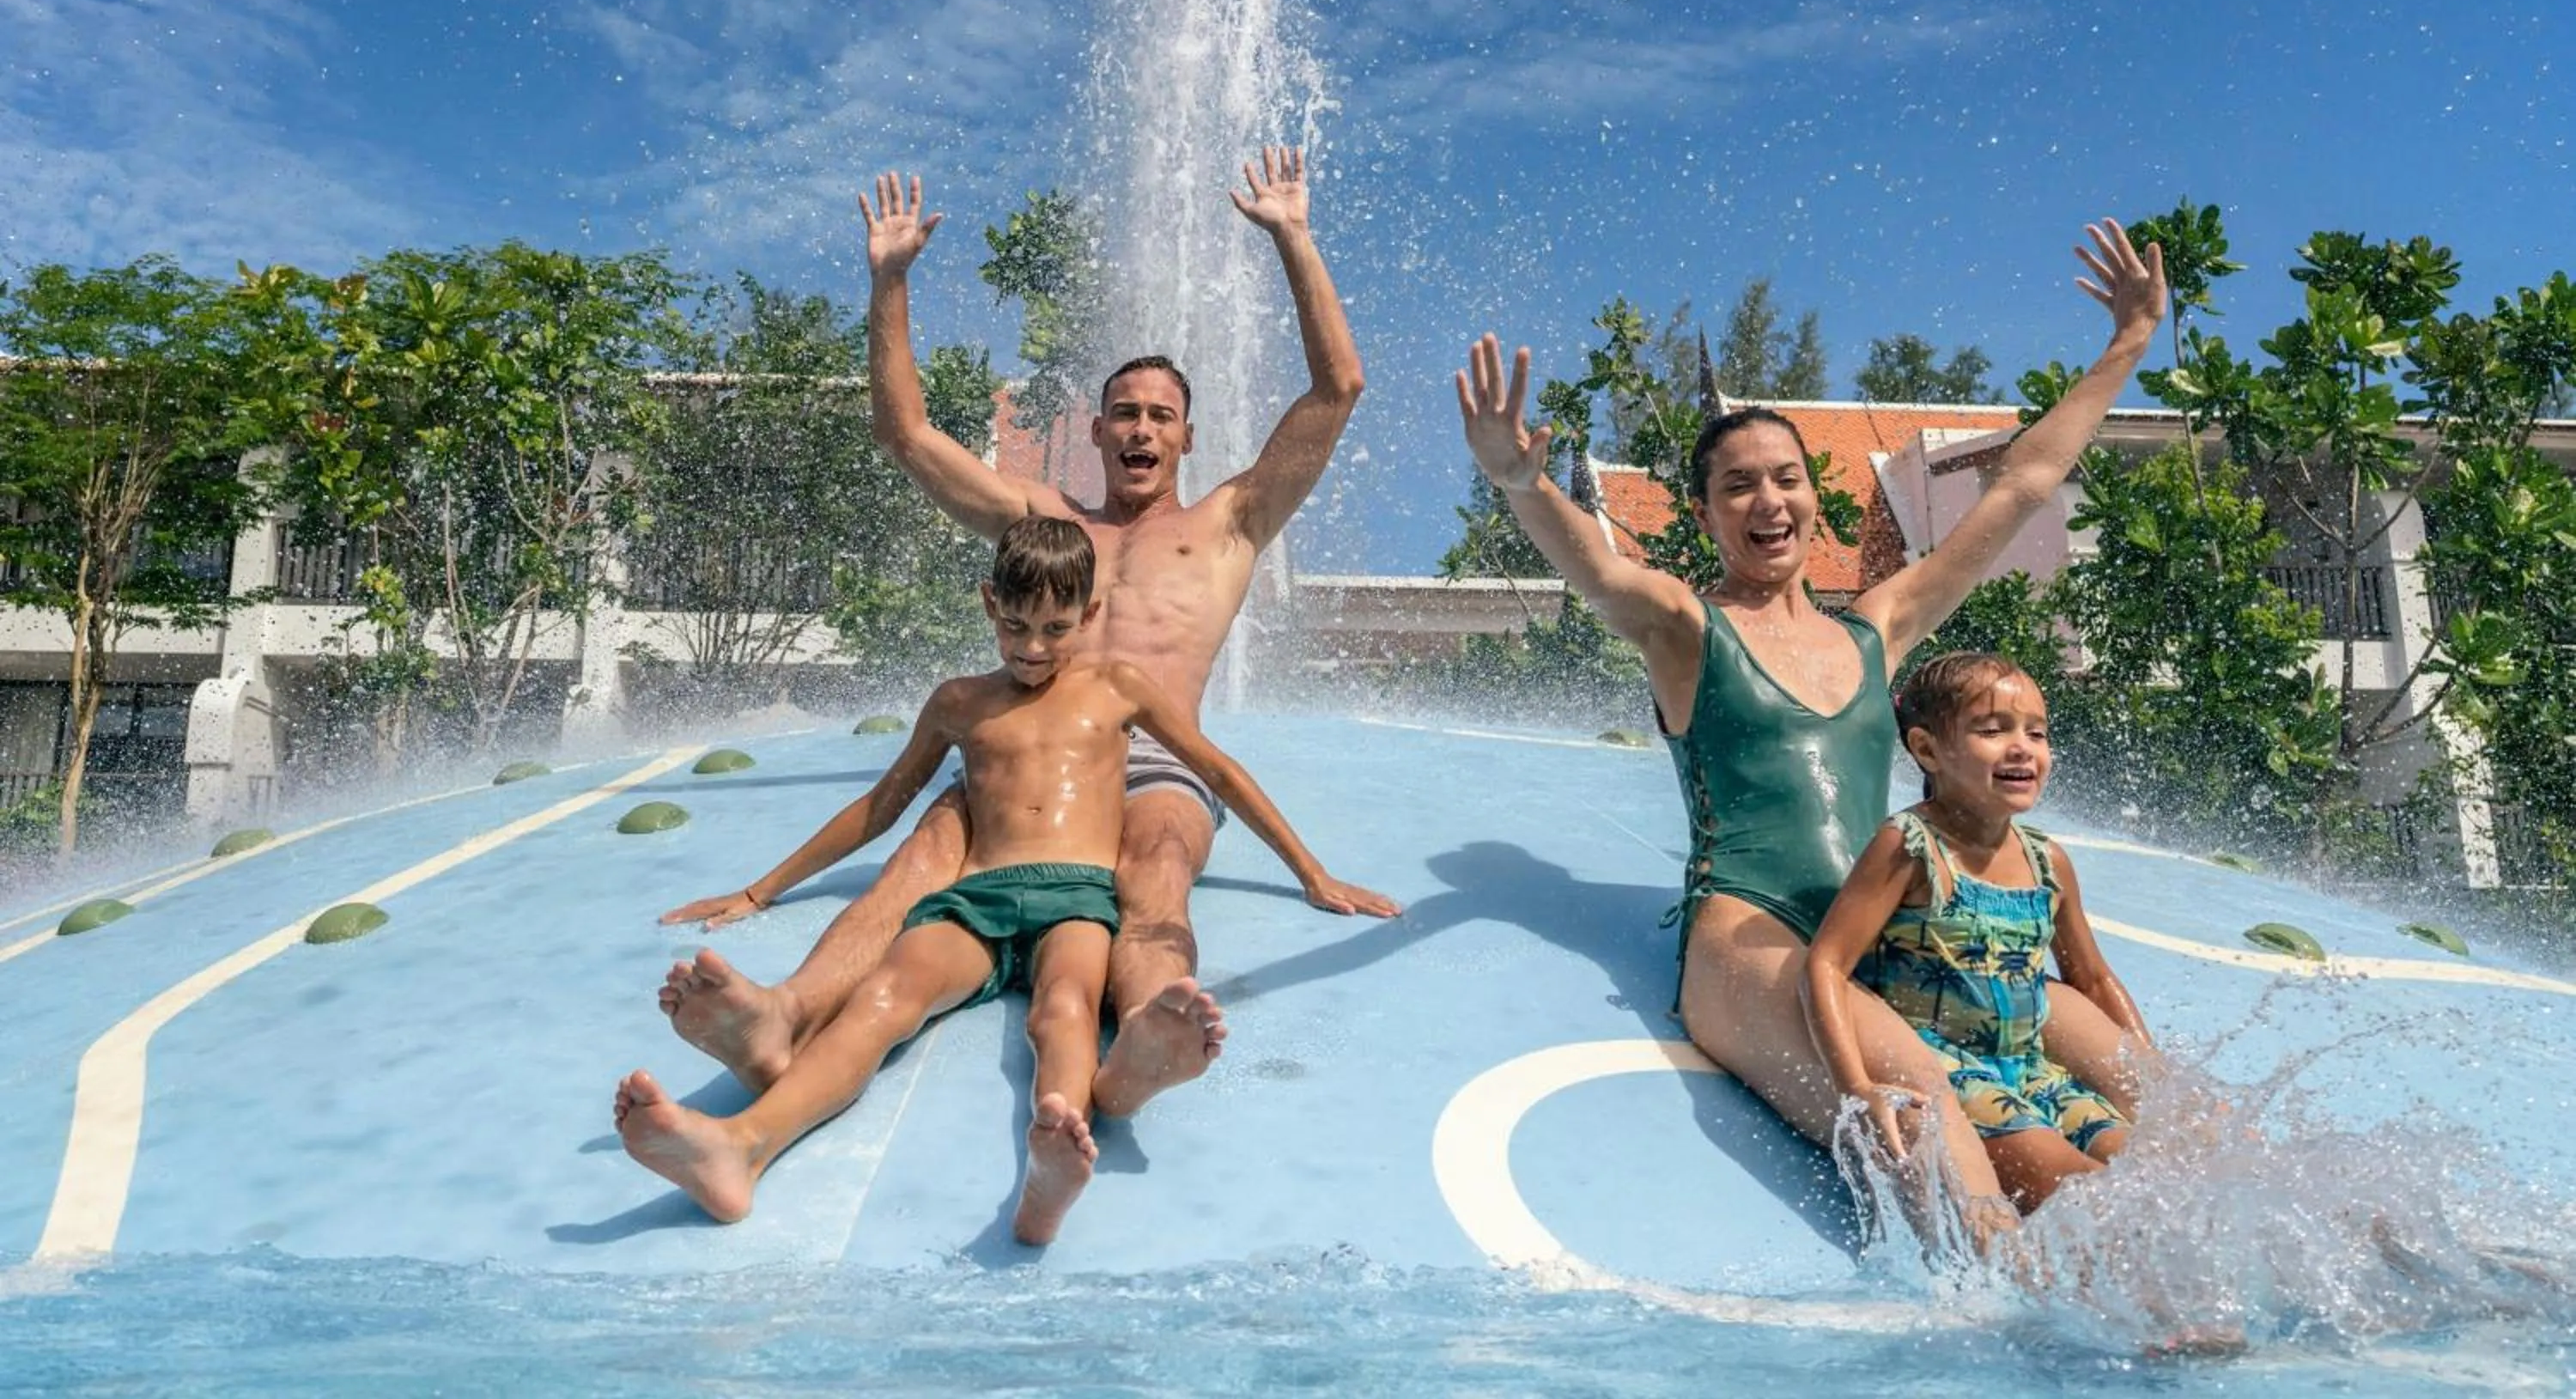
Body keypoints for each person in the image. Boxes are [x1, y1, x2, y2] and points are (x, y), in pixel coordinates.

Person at [1454, 218, 2167, 1239]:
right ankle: (2024, 1299)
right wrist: (1520, 481)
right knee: (1916, 1085)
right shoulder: (1689, 632)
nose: (1767, 498)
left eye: (1785, 476)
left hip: (1891, 934)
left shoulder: (1877, 627)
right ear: (1704, 516)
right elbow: (1602, 572)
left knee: (2109, 1049)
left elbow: (2019, 485)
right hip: (1752, 940)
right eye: (1737, 484)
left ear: (1814, 498)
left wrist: (2127, 344)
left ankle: (2276, 1225)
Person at [659, 149, 1370, 1125]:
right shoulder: (1042, 524)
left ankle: (1154, 1021)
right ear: (1096, 428)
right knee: (917, 859)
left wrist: (1293, 235)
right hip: (1022, 751)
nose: (1142, 428)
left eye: (1163, 415)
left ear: (1187, 439)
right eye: (1125, 411)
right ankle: (781, 1013)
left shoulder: (1229, 524)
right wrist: (891, 280)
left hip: (1157, 764)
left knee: (1157, 862)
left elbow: (1337, 390)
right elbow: (906, 434)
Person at [614, 516, 1391, 1241]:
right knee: (882, 1001)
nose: (1032, 648)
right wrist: (761, 889)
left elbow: (1219, 769)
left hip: (1077, 899)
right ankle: (741, 1147)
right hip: (974, 899)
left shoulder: (1118, 687)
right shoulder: (959, 702)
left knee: (1064, 1010)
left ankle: (1050, 1164)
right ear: (990, 603)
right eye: (1015, 626)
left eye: (1056, 629)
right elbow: (882, 805)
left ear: (1089, 615)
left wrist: (1312, 873)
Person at [1805, 652, 2152, 1215]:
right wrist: (1855, 1087)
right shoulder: (1910, 848)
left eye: (2036, 733)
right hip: (1951, 1072)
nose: (2022, 748)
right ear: (1927, 750)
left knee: (2158, 1171)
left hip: (2036, 1071)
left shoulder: (2048, 862)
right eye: (1992, 731)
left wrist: (2156, 1091)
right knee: (2086, 1191)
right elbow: (1825, 966)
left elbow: (2091, 977)